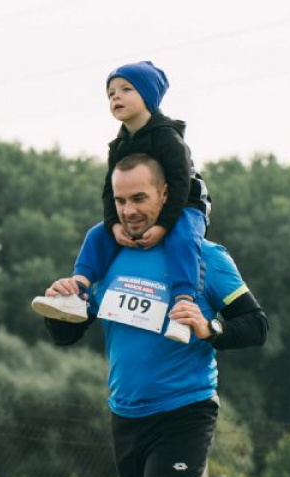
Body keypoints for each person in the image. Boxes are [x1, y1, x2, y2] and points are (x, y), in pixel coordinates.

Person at [39, 154, 268, 477]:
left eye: (140, 198)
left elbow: (255, 325)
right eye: (120, 200)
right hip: (127, 416)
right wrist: (59, 305)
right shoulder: (110, 256)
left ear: (167, 194)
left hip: (184, 412)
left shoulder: (205, 258)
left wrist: (210, 327)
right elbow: (67, 336)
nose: (129, 210)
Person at [32, 60, 212, 344]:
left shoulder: (168, 137)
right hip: (140, 212)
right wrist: (114, 225)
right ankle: (77, 291)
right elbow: (108, 191)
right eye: (111, 93)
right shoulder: (119, 145)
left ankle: (182, 306)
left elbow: (179, 185)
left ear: (148, 96)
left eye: (125, 89)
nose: (115, 96)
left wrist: (164, 225)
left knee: (182, 237)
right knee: (96, 234)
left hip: (186, 205)